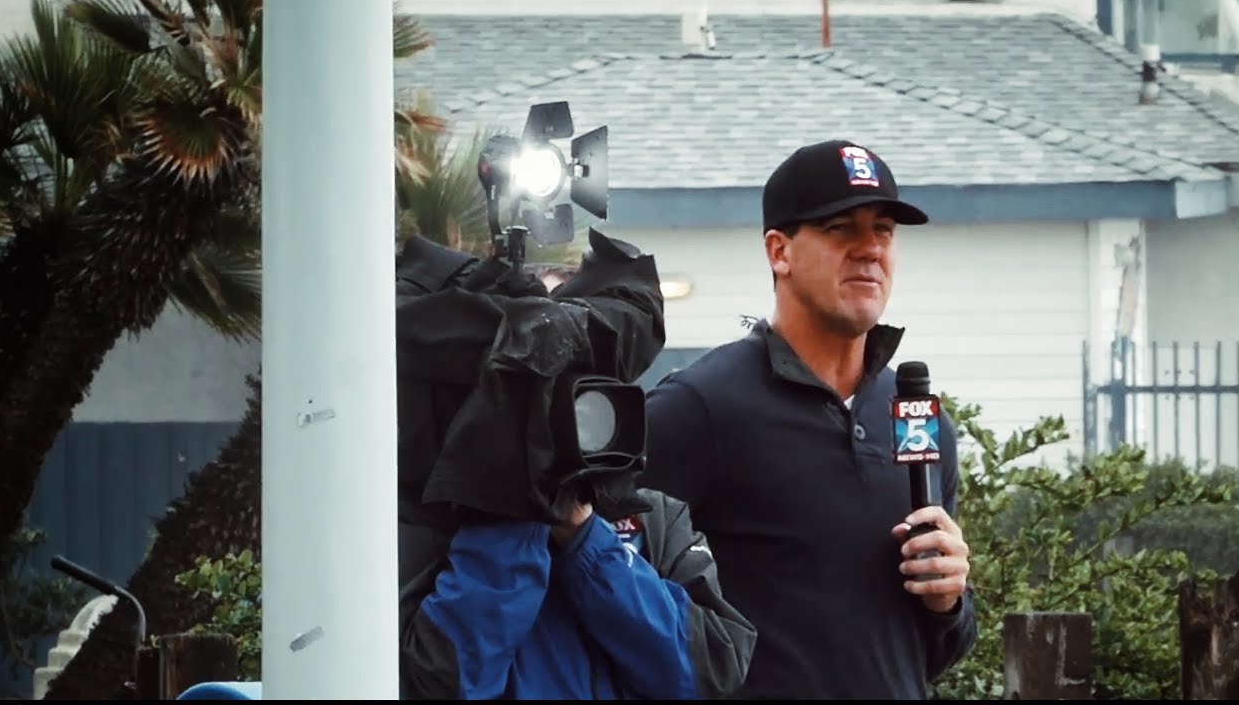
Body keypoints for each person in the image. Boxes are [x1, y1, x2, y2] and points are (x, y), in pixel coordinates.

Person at [639, 139, 978, 699]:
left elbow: (930, 654)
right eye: (842, 228)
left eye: (884, 230)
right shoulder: (697, 408)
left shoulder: (921, 422)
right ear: (780, 251)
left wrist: (948, 602)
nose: (870, 248)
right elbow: (614, 595)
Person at [398, 486, 758, 699]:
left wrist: (585, 537)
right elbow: (444, 680)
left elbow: (709, 670)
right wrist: (513, 520)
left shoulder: (653, 518)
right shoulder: (427, 522)